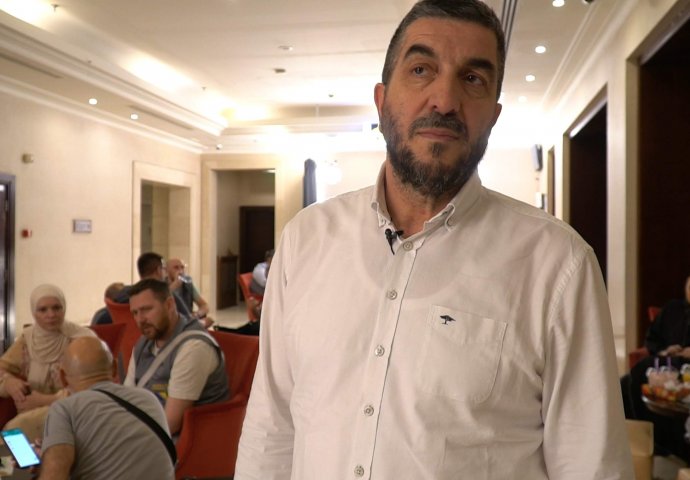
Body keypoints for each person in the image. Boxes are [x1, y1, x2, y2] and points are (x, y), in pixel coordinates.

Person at [235, 1, 633, 478]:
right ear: (382, 101)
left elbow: (592, 466)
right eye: (421, 70)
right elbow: (272, 428)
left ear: (494, 115)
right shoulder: (306, 240)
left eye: (473, 79)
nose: (444, 100)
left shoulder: (557, 264)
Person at [38, 336, 174, 480]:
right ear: (114, 368)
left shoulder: (63, 410)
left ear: (62, 378)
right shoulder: (149, 398)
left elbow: (54, 476)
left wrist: (48, 463)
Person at [124, 279, 229, 435]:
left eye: (146, 309)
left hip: (182, 440)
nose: (140, 319)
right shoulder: (144, 343)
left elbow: (170, 424)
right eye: (135, 313)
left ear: (169, 305)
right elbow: (127, 398)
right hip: (144, 429)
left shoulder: (194, 347)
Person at [0, 285, 95, 440]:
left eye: (57, 308)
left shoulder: (81, 339)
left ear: (64, 308)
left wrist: (44, 401)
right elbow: (3, 367)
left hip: (74, 410)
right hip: (33, 411)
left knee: (15, 431)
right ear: (33, 312)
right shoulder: (28, 339)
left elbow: (93, 388)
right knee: (14, 435)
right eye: (43, 310)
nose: (51, 315)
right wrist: (8, 381)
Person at [622, 275, 690, 460]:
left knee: (642, 369)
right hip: (664, 363)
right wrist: (666, 350)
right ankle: (643, 441)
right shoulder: (672, 309)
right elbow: (652, 340)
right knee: (624, 384)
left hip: (685, 367)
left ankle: (666, 445)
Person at [165, 257, 214, 329]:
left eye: (182, 267)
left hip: (188, 318)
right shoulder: (162, 285)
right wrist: (175, 285)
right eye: (176, 268)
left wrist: (197, 314)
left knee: (209, 320)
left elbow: (205, 306)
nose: (180, 271)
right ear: (167, 270)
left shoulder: (187, 283)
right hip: (172, 323)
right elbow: (162, 299)